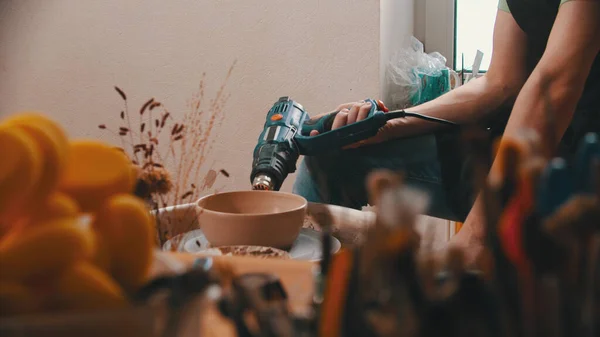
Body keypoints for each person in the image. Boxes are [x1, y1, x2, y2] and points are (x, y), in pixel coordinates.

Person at [292, 0, 600, 263]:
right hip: (519, 147)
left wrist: (478, 234)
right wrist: (387, 126)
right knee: (329, 160)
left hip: (581, 168)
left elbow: (556, 87)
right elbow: (500, 83)